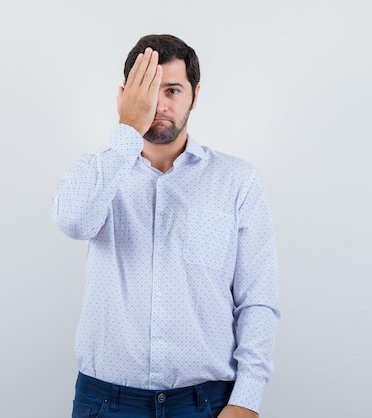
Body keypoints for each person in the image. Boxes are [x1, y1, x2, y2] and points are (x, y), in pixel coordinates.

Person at [50, 34, 279, 418]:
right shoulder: (96, 172)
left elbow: (257, 299)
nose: (159, 103)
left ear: (195, 94)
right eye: (148, 90)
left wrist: (246, 400)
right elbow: (73, 222)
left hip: (207, 403)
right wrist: (128, 127)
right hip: (106, 402)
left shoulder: (237, 181)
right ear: (125, 94)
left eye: (172, 89)